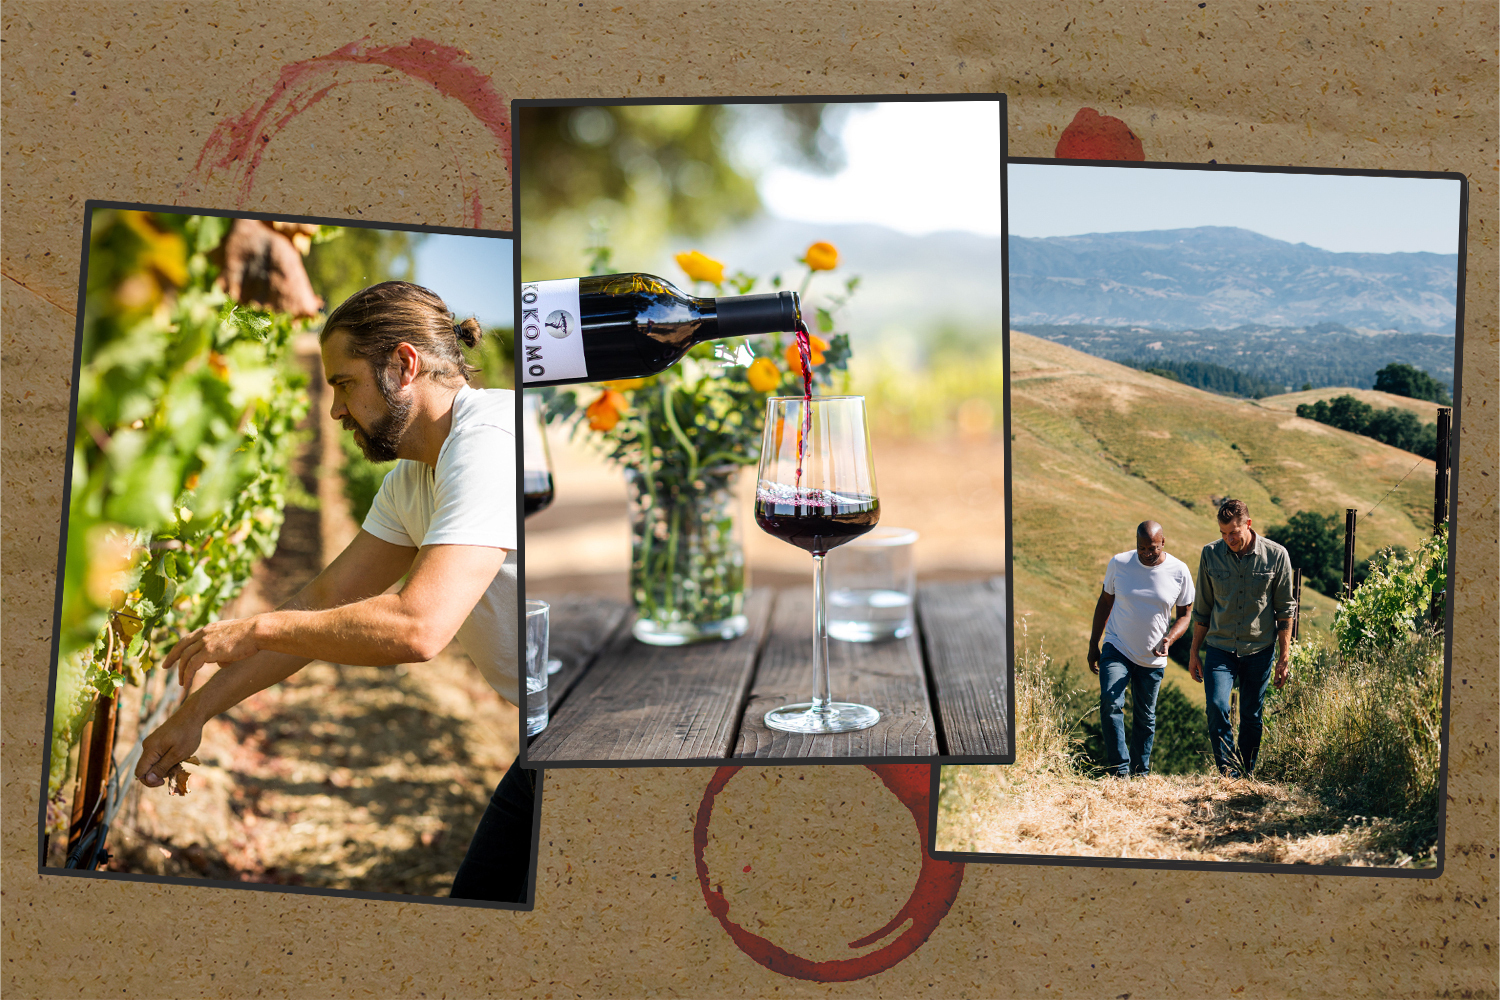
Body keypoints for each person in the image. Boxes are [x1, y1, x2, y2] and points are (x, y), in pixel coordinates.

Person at [135, 280, 529, 902]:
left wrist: (255, 627)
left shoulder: (490, 441)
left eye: (344, 383)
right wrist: (194, 715)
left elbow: (418, 627)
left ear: (403, 365)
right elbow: (325, 602)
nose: (335, 411)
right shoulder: (413, 478)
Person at [1188, 498, 1296, 778]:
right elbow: (1202, 608)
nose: (1228, 539)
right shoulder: (1210, 554)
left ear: (1248, 524)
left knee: (1251, 716)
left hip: (1259, 649)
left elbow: (1285, 611)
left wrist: (1284, 658)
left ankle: (1245, 772)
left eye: (1233, 533)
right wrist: (1193, 653)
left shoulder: (1277, 555)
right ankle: (1228, 774)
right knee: (1216, 707)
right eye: (1223, 533)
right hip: (1220, 648)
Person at [1087, 520, 1195, 777]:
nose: (1147, 553)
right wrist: (1094, 644)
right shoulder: (1119, 564)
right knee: (1111, 703)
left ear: (1163, 543)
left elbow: (1185, 615)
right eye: (1142, 548)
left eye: (1153, 548)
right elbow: (1104, 602)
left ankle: (1139, 773)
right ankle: (1119, 771)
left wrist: (1169, 638)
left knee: (1145, 718)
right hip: (1118, 646)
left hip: (1153, 655)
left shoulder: (1179, 571)